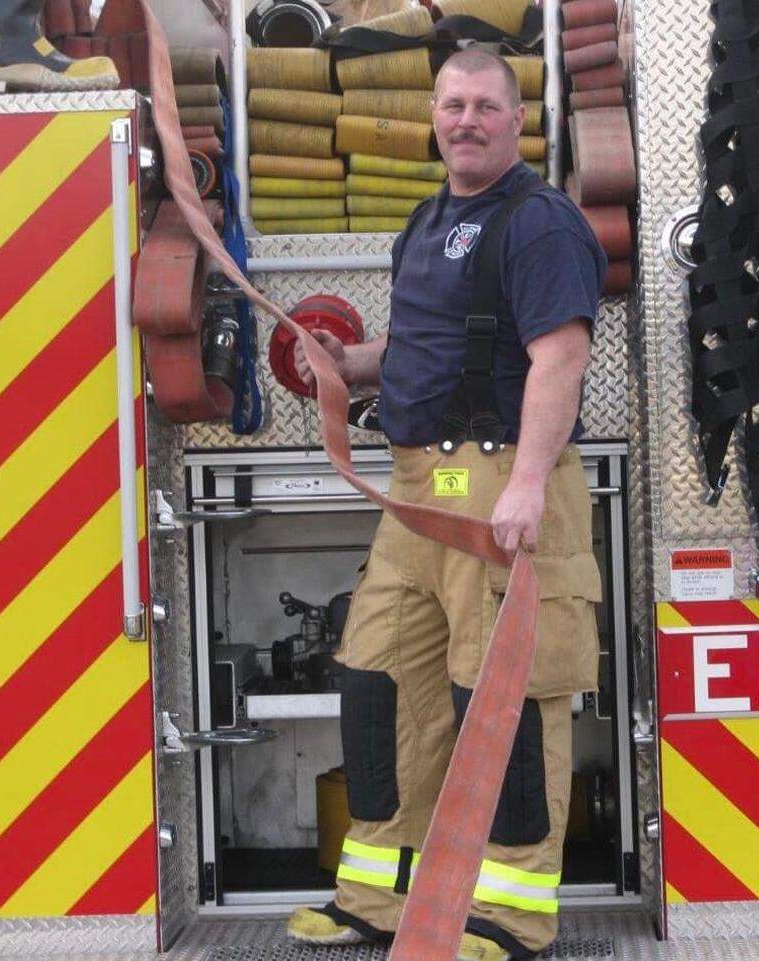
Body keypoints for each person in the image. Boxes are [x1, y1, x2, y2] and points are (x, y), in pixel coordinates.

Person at [286, 47, 607, 961]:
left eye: (485, 107)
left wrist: (529, 484)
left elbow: (560, 357)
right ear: (432, 113)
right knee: (379, 681)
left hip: (499, 485)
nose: (465, 121)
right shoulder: (428, 220)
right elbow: (430, 337)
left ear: (516, 120)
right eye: (452, 105)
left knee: (501, 697)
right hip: (420, 493)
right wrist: (350, 365)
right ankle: (379, 898)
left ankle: (508, 916)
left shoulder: (540, 224)